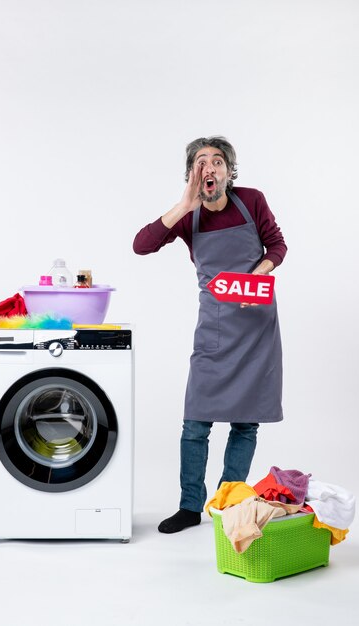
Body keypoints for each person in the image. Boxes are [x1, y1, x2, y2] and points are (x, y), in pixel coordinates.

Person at [133, 136, 287, 533]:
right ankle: (189, 506)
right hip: (215, 327)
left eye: (218, 161)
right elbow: (141, 246)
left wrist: (257, 276)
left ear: (228, 171)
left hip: (255, 326)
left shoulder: (251, 200)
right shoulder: (189, 215)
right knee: (195, 423)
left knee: (245, 423)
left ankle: (228, 502)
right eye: (201, 162)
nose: (210, 167)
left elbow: (276, 245)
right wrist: (184, 205)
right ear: (192, 174)